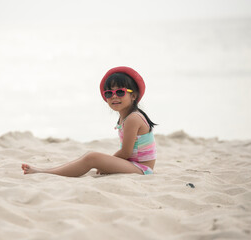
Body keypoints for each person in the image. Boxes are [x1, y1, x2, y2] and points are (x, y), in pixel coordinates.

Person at [21, 66, 157, 177]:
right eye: (109, 93)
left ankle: (46, 173)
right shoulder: (126, 117)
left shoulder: (133, 118)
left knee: (92, 157)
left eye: (120, 92)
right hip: (134, 165)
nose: (114, 96)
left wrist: (106, 164)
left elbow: (126, 152)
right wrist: (108, 163)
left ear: (133, 95)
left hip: (142, 169)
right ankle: (49, 171)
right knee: (90, 157)